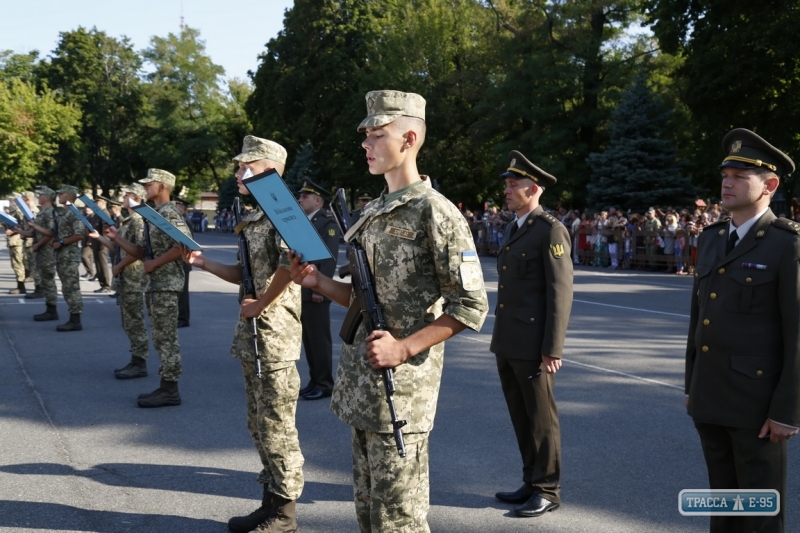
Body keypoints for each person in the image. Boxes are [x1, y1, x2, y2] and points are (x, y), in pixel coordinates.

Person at [289, 90, 489, 532]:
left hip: (402, 394)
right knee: (369, 514)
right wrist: (319, 282)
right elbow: (364, 300)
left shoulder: (436, 213)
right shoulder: (374, 210)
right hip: (363, 390)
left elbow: (472, 305)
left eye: (376, 135)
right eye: (365, 136)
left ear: (409, 139)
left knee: (400, 522)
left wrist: (404, 348)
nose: (365, 144)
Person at [182, 135, 304, 533]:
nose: (238, 173)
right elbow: (243, 275)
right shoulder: (256, 216)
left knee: (277, 425)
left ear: (269, 167)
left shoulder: (283, 210)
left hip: (274, 334)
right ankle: (269, 503)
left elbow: (291, 266)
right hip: (253, 335)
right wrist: (203, 263)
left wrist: (262, 304)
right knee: (259, 423)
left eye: (245, 166)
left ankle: (285, 516)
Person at [686, 128, 800, 533]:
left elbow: (797, 335)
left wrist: (787, 411)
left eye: (739, 175)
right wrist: (691, 385)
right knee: (725, 506)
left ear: (770, 185)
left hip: (758, 405)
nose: (727, 182)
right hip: (711, 397)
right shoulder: (714, 238)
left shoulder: (787, 245)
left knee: (760, 512)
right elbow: (698, 321)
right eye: (725, 174)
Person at [490, 150, 573, 518]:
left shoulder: (550, 230)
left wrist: (552, 347)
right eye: (506, 185)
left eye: (514, 185)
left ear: (533, 188)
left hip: (534, 343)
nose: (507, 190)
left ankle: (548, 489)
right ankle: (530, 479)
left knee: (541, 418)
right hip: (508, 340)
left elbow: (560, 292)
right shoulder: (514, 227)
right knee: (520, 416)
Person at [106, 169, 191, 408]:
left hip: (166, 284)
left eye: (149, 184)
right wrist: (117, 238)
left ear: (163, 186)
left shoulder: (169, 213)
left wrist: (156, 262)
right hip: (154, 284)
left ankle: (170, 389)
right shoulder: (155, 214)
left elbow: (184, 244)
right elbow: (142, 252)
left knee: (167, 339)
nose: (145, 188)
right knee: (160, 337)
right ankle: (165, 386)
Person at [87, 184, 150, 379]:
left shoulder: (138, 220)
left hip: (133, 276)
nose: (123, 198)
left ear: (136, 198)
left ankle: (140, 363)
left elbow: (139, 251)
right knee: (128, 321)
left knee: (134, 321)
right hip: (126, 276)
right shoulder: (128, 221)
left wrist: (119, 266)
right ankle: (135, 359)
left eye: (127, 195)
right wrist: (100, 238)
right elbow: (118, 249)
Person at [296, 179, 340, 401]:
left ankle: (324, 383)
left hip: (317, 292)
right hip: (305, 289)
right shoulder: (306, 222)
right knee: (309, 340)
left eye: (305, 196)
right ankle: (314, 380)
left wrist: (320, 291)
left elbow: (328, 260)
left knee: (319, 340)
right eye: (300, 196)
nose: (300, 199)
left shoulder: (327, 224)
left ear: (318, 200)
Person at [15, 188, 58, 318]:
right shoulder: (42, 212)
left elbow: (50, 233)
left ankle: (52, 311)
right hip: (41, 251)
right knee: (45, 281)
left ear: (47, 198)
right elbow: (35, 233)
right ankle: (49, 309)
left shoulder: (50, 212)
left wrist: (38, 244)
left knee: (48, 281)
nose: (38, 197)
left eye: (41, 195)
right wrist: (20, 232)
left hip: (47, 252)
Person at [173, 197, 192, 328]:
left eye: (177, 206)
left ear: (182, 208)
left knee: (183, 294)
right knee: (179, 292)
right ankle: (179, 317)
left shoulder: (183, 222)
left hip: (183, 262)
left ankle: (183, 318)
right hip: (179, 262)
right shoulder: (180, 220)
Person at [88, 197, 112, 293]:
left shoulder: (105, 214)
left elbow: (106, 230)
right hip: (96, 241)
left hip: (102, 242)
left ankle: (106, 285)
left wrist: (104, 243)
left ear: (103, 203)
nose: (95, 204)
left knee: (103, 264)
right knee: (98, 264)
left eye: (97, 202)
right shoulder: (97, 214)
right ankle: (102, 284)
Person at [5, 194, 27, 294]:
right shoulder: (12, 212)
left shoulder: (19, 212)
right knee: (15, 265)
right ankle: (20, 285)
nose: (10, 202)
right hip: (12, 241)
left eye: (12, 200)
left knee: (19, 264)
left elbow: (23, 226)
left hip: (18, 241)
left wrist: (12, 231)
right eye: (10, 200)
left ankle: (21, 286)